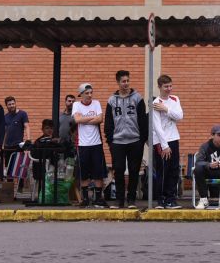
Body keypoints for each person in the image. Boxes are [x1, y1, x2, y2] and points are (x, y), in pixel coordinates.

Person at [105, 70, 148, 209]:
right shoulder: (112, 100)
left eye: (128, 80)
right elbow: (108, 122)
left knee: (134, 170)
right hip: (117, 142)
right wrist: (110, 141)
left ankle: (131, 200)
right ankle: (119, 200)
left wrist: (142, 139)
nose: (126, 83)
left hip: (135, 141)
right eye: (123, 81)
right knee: (118, 169)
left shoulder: (137, 98)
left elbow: (143, 119)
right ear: (118, 82)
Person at [72, 83, 107, 208]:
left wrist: (84, 118)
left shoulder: (96, 103)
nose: (89, 95)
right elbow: (76, 120)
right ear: (81, 94)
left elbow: (100, 119)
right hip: (82, 144)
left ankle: (98, 198)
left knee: (98, 172)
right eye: (86, 93)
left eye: (91, 92)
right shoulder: (76, 105)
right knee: (84, 172)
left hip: (96, 143)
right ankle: (85, 198)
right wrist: (93, 117)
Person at [150, 74, 183, 209]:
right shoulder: (155, 103)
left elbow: (180, 116)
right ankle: (161, 199)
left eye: (170, 86)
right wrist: (164, 145)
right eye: (165, 87)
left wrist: (166, 109)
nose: (169, 89)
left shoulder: (175, 99)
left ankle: (171, 198)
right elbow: (157, 126)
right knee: (163, 170)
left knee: (174, 169)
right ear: (159, 87)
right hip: (161, 141)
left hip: (174, 138)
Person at [193, 124, 220, 209]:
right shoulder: (205, 146)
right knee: (197, 169)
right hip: (209, 172)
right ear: (212, 135)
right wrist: (208, 165)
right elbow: (199, 162)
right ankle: (203, 199)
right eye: (219, 135)